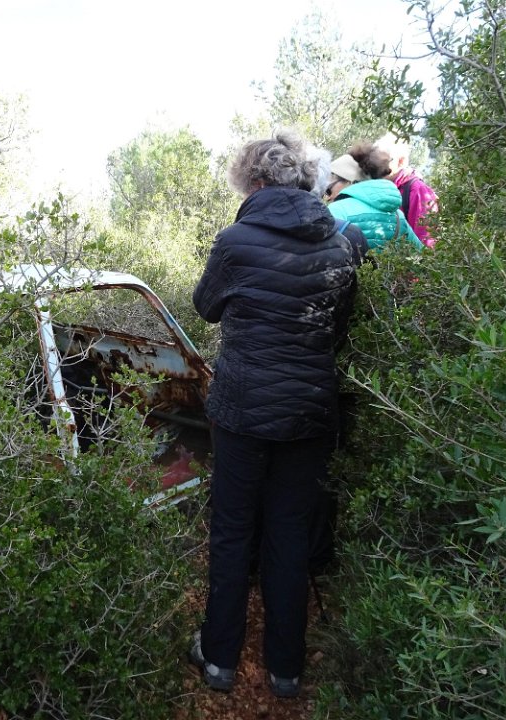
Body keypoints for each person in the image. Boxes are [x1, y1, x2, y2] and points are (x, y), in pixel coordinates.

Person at [190, 129, 357, 699]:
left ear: (255, 182)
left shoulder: (235, 241)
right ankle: (286, 669)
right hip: (309, 412)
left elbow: (205, 307)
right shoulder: (341, 243)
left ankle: (219, 659)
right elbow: (337, 328)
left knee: (233, 530)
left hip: (242, 409)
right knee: (289, 532)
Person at [325, 142, 424, 251]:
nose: (327, 197)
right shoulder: (398, 216)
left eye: (329, 190)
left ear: (350, 182)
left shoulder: (337, 210)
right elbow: (421, 253)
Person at [377, 132, 439, 247]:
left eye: (384, 161)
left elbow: (426, 240)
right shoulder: (381, 188)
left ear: (401, 161)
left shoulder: (418, 190)